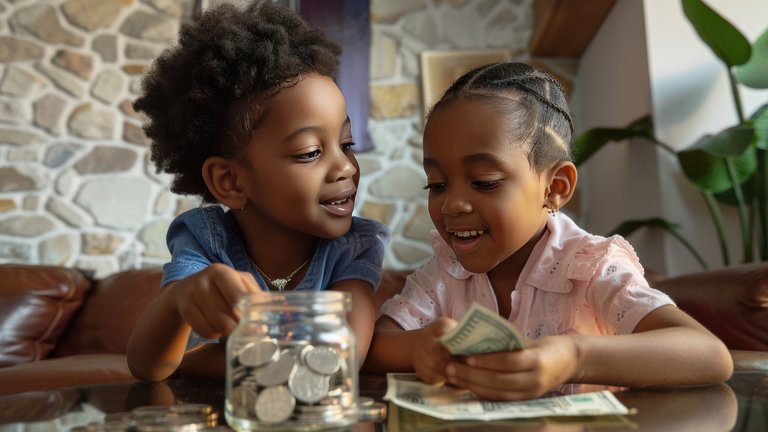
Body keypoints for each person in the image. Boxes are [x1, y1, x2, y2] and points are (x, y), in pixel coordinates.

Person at [364, 62, 733, 400]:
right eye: (437, 184)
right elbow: (371, 345)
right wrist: (419, 349)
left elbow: (709, 355)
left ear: (555, 187)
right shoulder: (445, 272)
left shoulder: (591, 268)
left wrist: (573, 357)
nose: (451, 205)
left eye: (484, 182)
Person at [127, 0, 389, 382]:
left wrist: (196, 362)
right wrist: (179, 300)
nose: (346, 167)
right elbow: (148, 367)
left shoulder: (355, 246)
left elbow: (338, 358)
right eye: (310, 153)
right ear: (230, 182)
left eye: (346, 144)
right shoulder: (204, 241)